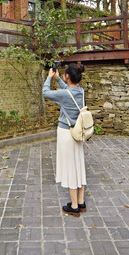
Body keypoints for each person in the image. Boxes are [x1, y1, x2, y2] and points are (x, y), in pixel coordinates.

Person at [42, 63, 87, 217]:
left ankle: (74, 206)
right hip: (78, 133)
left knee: (70, 168)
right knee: (78, 165)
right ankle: (81, 201)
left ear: (67, 76)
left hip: (66, 134)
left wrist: (49, 77)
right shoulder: (81, 91)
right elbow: (68, 91)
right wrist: (58, 79)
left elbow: (45, 92)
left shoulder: (65, 94)